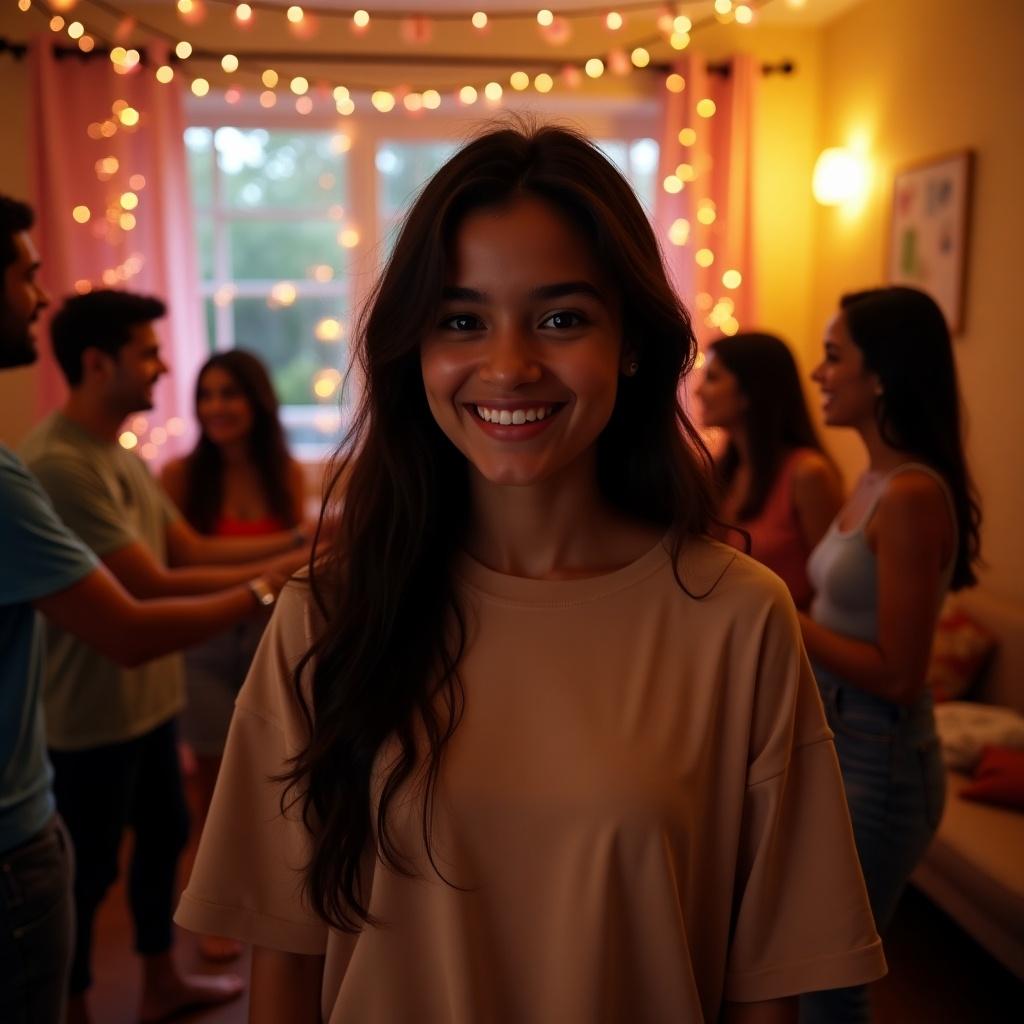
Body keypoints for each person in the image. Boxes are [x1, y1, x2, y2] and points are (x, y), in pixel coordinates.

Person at [176, 124, 887, 1023]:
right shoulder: (329, 615)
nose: (509, 366)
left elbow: (768, 985)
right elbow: (282, 957)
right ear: (416, 352)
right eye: (462, 320)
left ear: (631, 343)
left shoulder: (735, 617)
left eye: (561, 318)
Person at [0, 195, 293, 1024]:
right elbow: (142, 606)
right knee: (91, 875)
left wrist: (301, 546)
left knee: (160, 843)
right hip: (85, 720)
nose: (165, 370)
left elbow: (189, 555)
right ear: (100, 364)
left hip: (146, 706)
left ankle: (161, 985)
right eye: (149, 354)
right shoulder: (55, 465)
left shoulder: (117, 455)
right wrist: (282, 582)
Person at [797, 287, 982, 1024]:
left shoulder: (909, 496)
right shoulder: (870, 482)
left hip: (881, 753)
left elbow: (902, 675)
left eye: (835, 356)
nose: (819, 373)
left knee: (830, 978)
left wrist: (778, 608)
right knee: (808, 962)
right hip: (844, 736)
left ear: (881, 376)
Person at [161, 349, 306, 961]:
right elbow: (187, 560)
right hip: (204, 643)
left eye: (229, 394)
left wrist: (260, 564)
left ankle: (266, 902)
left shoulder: (285, 473)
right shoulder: (178, 476)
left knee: (276, 778)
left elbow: (257, 565)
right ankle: (208, 907)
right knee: (211, 788)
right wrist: (293, 545)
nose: (216, 407)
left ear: (256, 401)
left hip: (272, 639)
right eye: (206, 395)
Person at [695, 332, 843, 609]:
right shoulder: (717, 471)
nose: (698, 390)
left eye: (713, 378)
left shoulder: (807, 474)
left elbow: (834, 591)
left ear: (750, 391)